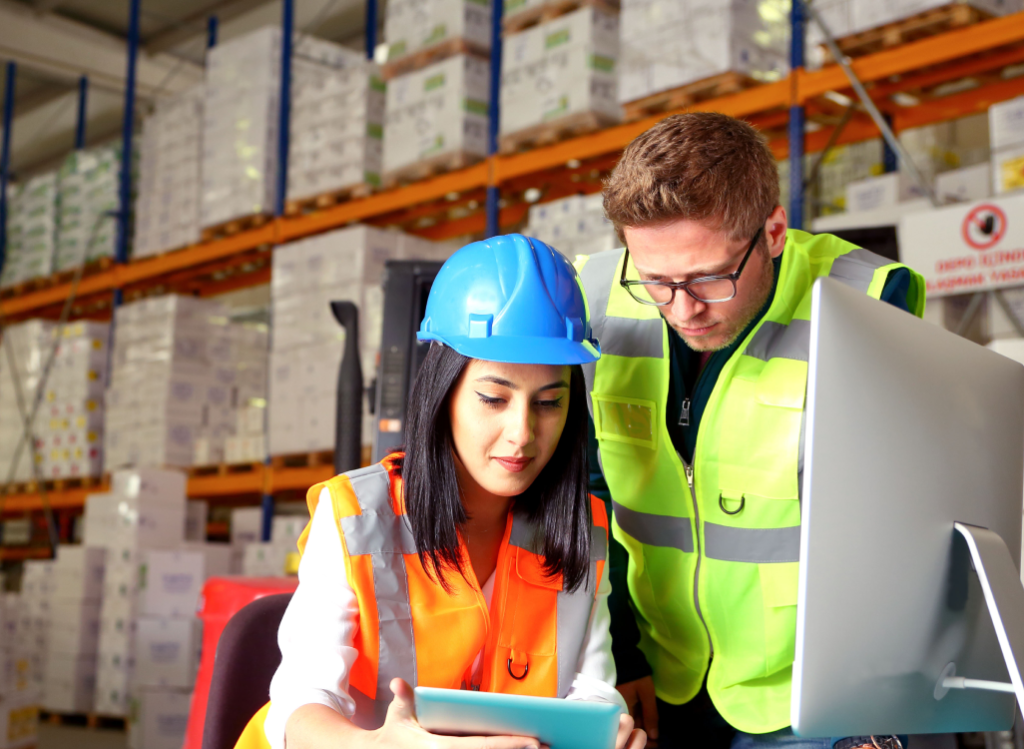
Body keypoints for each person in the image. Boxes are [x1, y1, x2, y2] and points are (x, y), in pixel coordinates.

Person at [574, 112, 925, 749]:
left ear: (774, 231)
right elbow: (593, 501)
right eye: (655, 281)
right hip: (660, 677)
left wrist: (872, 697)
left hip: (811, 699)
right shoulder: (597, 296)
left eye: (710, 277)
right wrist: (620, 657)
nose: (683, 309)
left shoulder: (863, 302)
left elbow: (898, 529)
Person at [232, 234, 647, 749]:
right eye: (494, 399)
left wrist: (604, 728)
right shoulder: (355, 516)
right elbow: (300, 702)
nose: (522, 433)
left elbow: (590, 686)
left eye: (548, 403)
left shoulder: (582, 529)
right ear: (443, 394)